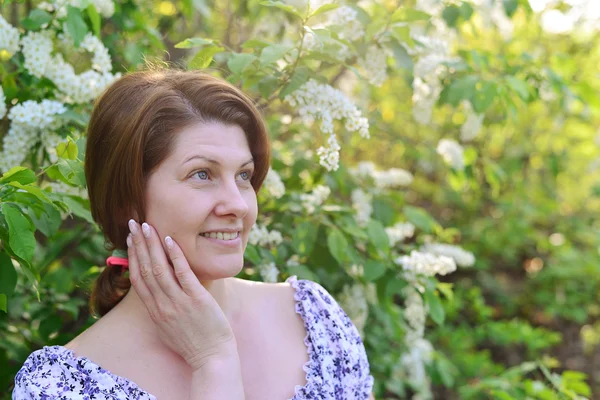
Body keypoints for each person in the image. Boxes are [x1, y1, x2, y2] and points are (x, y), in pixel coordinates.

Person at [12, 69, 375, 399]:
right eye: (202, 174)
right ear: (128, 201)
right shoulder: (56, 387)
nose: (239, 205)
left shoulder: (315, 322)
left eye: (244, 176)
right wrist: (213, 361)